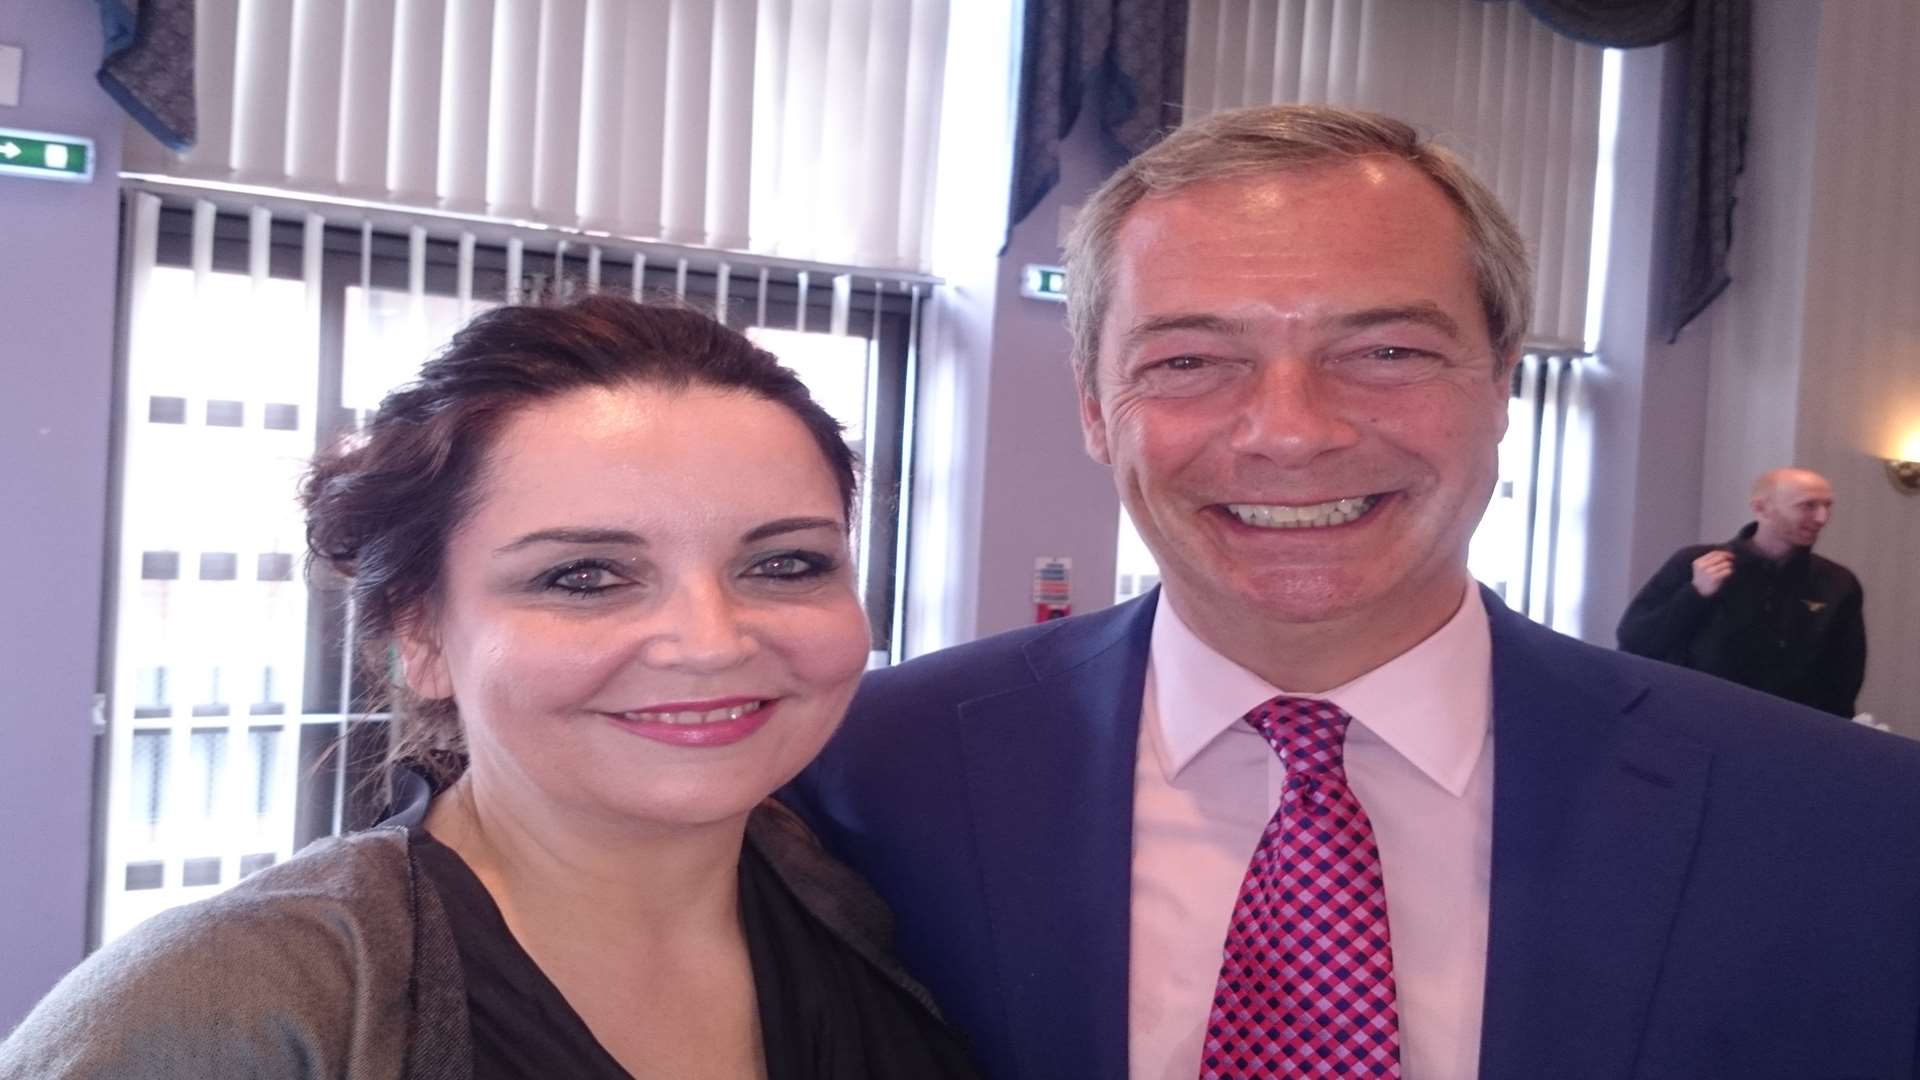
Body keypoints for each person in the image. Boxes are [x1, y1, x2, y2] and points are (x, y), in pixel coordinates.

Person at [784, 105, 1920, 1079]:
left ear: (1501, 386)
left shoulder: (1848, 825)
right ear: (1095, 408)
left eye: (1386, 352)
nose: (1290, 432)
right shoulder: (861, 775)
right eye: (1189, 360)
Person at [0, 296, 979, 1079]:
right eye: (584, 576)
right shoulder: (224, 1010)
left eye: (785, 565)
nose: (709, 642)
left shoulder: (902, 910)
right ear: (422, 634)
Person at [1617, 467, 1866, 717]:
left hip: (1789, 731)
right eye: (1807, 506)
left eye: (1827, 506)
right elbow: (1635, 640)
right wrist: (1694, 595)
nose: (1822, 518)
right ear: (1761, 508)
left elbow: (1844, 677)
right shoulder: (1694, 562)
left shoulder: (1837, 582)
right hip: (1694, 720)